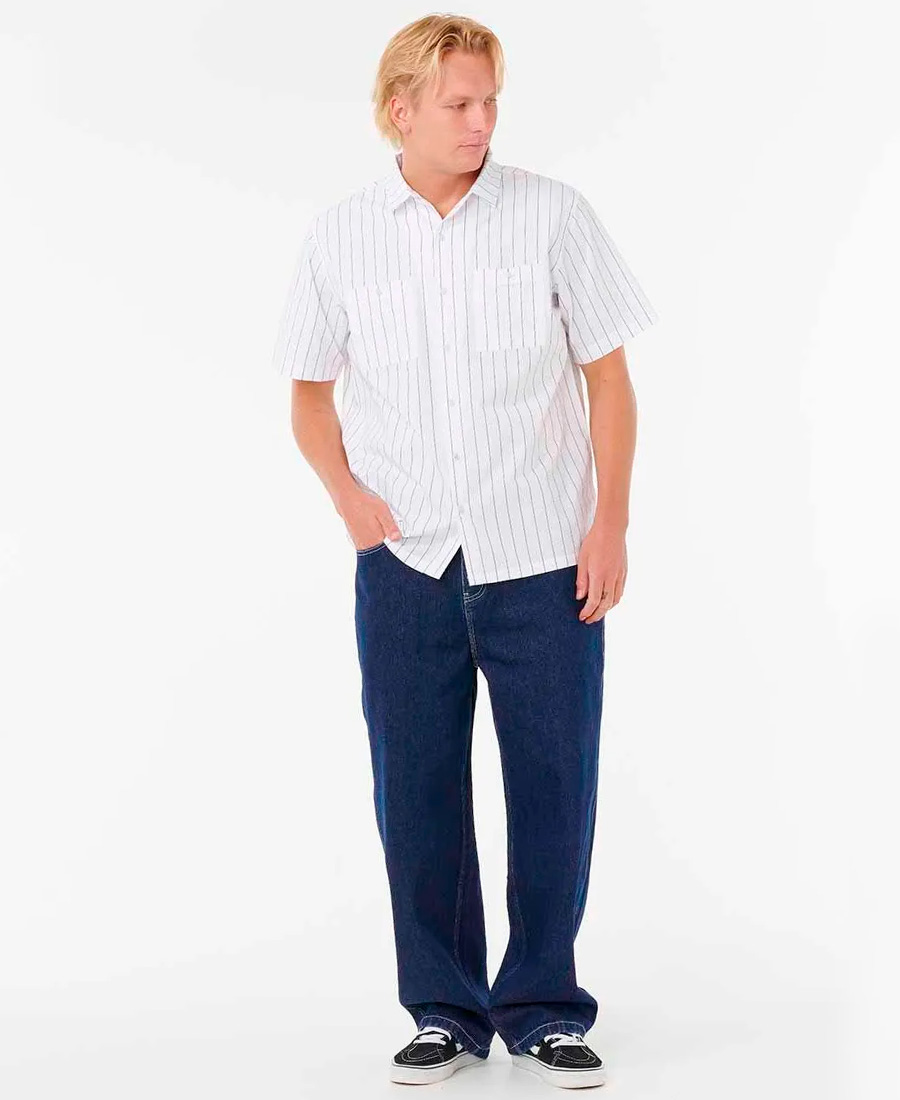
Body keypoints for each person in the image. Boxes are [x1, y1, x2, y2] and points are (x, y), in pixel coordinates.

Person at [271, 14, 658, 1090]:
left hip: (543, 556)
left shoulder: (553, 215)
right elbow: (308, 393)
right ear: (400, 109)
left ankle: (544, 1005)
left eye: (490, 101)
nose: (482, 120)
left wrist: (611, 521)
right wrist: (350, 502)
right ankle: (443, 1009)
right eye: (458, 103)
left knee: (554, 785)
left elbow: (609, 378)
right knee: (417, 791)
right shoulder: (340, 237)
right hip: (406, 564)